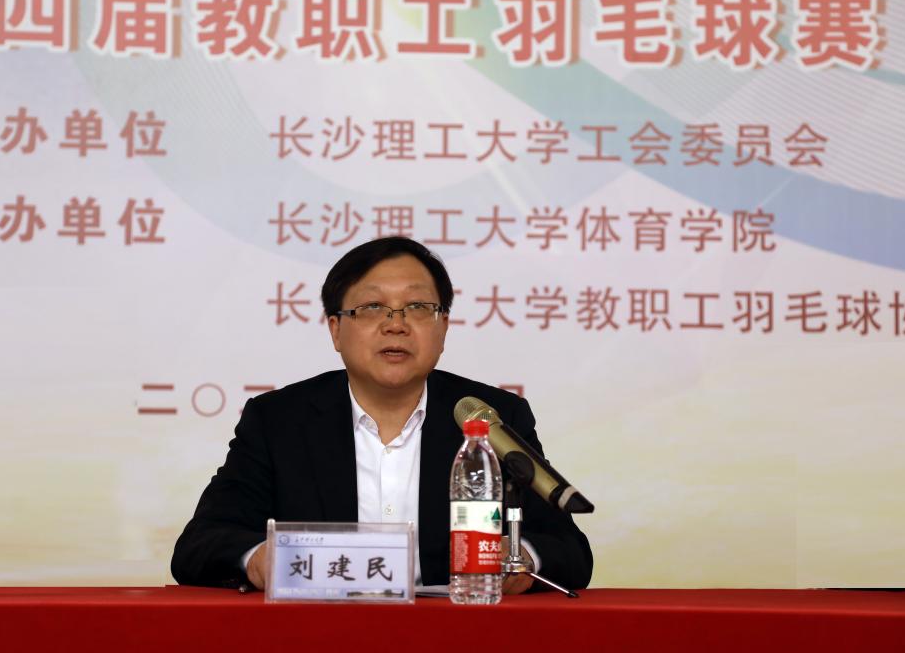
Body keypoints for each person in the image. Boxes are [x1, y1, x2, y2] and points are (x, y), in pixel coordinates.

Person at [171, 237, 592, 592]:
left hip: (456, 640)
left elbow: (569, 549)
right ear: (336, 329)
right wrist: (261, 559)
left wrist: (520, 558)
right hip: (317, 640)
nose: (396, 324)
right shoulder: (278, 421)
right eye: (372, 307)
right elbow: (201, 543)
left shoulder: (489, 417)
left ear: (443, 328)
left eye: (418, 307)